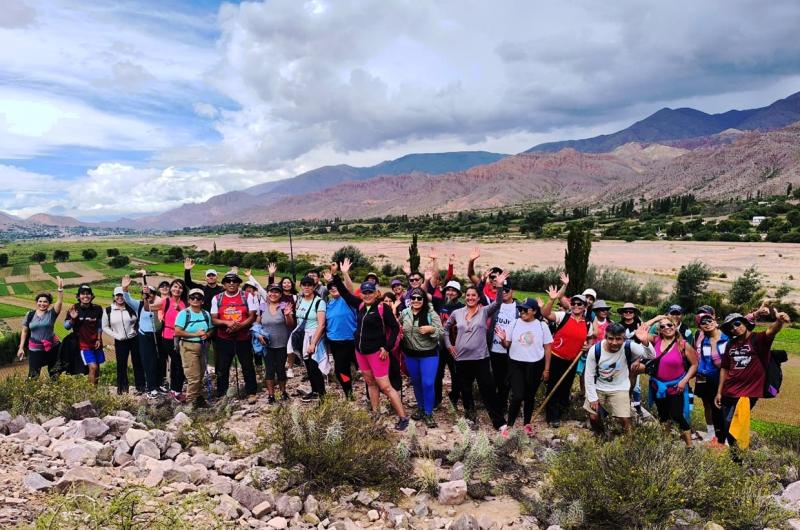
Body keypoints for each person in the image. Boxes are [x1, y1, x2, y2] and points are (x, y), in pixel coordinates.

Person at [327, 273, 409, 430]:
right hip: (360, 352)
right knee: (370, 383)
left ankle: (403, 417)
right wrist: (337, 276)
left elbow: (395, 328)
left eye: (370, 292)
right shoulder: (360, 305)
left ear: (376, 293)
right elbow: (344, 293)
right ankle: (376, 413)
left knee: (385, 386)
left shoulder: (382, 307)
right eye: (364, 292)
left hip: (376, 353)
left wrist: (387, 347)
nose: (367, 295)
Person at [443, 271, 511, 431]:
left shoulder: (484, 311)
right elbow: (445, 330)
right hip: (461, 359)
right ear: (464, 297)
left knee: (488, 390)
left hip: (480, 358)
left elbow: (499, 303)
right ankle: (470, 417)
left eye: (474, 295)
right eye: (468, 295)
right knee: (465, 390)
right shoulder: (456, 313)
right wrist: (449, 345)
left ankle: (499, 422)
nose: (470, 298)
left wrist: (499, 286)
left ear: (478, 298)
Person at [715, 310, 791, 447]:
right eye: (731, 327)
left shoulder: (758, 339)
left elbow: (771, 331)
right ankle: (736, 458)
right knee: (727, 427)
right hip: (728, 391)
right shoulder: (730, 344)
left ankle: (737, 460)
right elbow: (725, 368)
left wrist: (779, 321)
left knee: (735, 428)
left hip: (746, 394)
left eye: (737, 324)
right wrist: (719, 391)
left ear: (744, 323)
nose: (735, 328)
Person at [541, 275, 593, 428]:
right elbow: (545, 314)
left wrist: (588, 346)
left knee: (565, 389)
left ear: (585, 307)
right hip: (556, 357)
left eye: (580, 304)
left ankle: (560, 411)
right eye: (574, 303)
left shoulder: (588, 324)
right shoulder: (563, 316)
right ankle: (552, 416)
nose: (576, 305)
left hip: (572, 361)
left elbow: (590, 339)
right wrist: (551, 300)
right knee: (553, 387)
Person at [495, 297, 552, 435]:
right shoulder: (514, 323)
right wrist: (502, 340)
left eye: (525, 309)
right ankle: (509, 425)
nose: (522, 311)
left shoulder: (542, 326)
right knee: (518, 395)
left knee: (530, 396)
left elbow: (547, 348)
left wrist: (546, 369)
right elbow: (507, 345)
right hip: (516, 364)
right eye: (520, 309)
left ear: (534, 311)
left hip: (535, 364)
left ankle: (527, 423)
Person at [583, 323, 651, 433]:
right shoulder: (595, 350)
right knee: (593, 417)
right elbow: (589, 375)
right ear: (606, 337)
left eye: (618, 339)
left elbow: (651, 355)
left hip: (620, 387)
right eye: (611, 338)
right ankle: (600, 436)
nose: (614, 343)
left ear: (624, 338)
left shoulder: (629, 346)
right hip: (599, 386)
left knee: (624, 419)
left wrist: (645, 341)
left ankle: (629, 443)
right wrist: (592, 397)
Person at [642, 314, 698, 446]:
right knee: (663, 416)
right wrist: (656, 318)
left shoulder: (683, 345)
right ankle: (666, 443)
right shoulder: (655, 340)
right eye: (663, 326)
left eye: (670, 325)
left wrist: (684, 381)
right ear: (659, 330)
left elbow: (695, 365)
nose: (667, 328)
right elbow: (641, 331)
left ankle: (689, 446)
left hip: (675, 387)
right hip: (658, 387)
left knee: (677, 415)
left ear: (675, 327)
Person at [399, 287, 444, 427]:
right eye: (413, 298)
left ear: (424, 300)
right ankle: (421, 407)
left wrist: (432, 330)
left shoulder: (431, 314)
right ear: (410, 300)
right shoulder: (405, 313)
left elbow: (441, 332)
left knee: (428, 383)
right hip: (410, 354)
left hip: (428, 354)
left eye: (419, 298)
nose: (416, 300)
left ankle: (429, 412)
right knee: (417, 382)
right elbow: (397, 327)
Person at [211, 272, 259, 400]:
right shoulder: (217, 298)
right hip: (224, 338)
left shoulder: (247, 296)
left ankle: (251, 392)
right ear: (224, 284)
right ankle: (222, 394)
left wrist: (240, 326)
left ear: (238, 283)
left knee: (247, 365)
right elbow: (214, 319)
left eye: (234, 281)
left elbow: (252, 316)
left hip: (243, 337)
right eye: (228, 281)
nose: (231, 283)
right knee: (223, 367)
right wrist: (227, 323)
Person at [174, 288, 214, 408]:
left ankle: (198, 398)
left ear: (202, 301)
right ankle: (190, 404)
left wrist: (207, 334)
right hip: (188, 347)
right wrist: (195, 334)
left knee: (201, 375)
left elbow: (211, 328)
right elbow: (177, 331)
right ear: (189, 300)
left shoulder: (206, 314)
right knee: (194, 377)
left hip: (203, 346)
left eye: (198, 298)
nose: (195, 300)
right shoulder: (183, 314)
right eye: (193, 297)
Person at [122, 276, 161, 397]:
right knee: (148, 361)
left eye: (152, 293)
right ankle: (151, 387)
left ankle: (158, 384)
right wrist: (125, 288)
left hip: (158, 335)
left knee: (158, 361)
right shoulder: (138, 305)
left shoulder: (159, 305)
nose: (149, 295)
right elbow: (127, 299)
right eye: (146, 293)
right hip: (144, 336)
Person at [321, 269, 358, 398]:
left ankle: (372, 394)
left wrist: (345, 273)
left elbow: (348, 288)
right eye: (330, 288)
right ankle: (349, 393)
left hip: (353, 341)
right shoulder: (328, 304)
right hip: (336, 343)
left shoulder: (347, 300)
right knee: (341, 371)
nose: (333, 289)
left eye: (335, 287)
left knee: (365, 370)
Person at [17, 277, 64, 378]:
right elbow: (24, 331)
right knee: (33, 375)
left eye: (45, 302)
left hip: (52, 347)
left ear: (49, 304)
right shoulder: (29, 315)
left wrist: (60, 289)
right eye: (40, 301)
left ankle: (54, 392)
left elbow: (59, 302)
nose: (42, 304)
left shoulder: (52, 314)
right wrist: (21, 347)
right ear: (36, 302)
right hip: (35, 349)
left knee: (54, 374)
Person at [149, 279, 188, 400]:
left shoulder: (185, 303)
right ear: (171, 288)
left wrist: (180, 310)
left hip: (182, 336)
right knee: (178, 362)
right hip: (168, 336)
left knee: (179, 363)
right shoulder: (165, 301)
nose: (177, 289)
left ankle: (175, 389)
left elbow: (190, 317)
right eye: (175, 287)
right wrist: (147, 296)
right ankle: (176, 390)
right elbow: (149, 307)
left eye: (180, 287)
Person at [692, 312, 727, 445]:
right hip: (704, 377)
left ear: (715, 321)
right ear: (700, 326)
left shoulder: (727, 337)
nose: (707, 323)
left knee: (721, 406)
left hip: (722, 378)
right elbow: (701, 358)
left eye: (709, 320)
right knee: (707, 404)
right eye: (703, 322)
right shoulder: (702, 339)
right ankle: (711, 432)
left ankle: (723, 435)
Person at [256, 284, 295, 403]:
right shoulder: (262, 307)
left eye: (276, 292)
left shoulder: (284, 306)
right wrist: (258, 334)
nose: (273, 294)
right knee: (269, 369)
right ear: (267, 293)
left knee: (280, 369)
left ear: (280, 294)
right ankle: (271, 395)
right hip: (266, 345)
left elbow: (290, 325)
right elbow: (257, 324)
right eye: (271, 292)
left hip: (281, 344)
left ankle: (283, 392)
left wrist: (288, 315)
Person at [102, 286, 144, 394]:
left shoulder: (132, 308)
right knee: (121, 365)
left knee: (137, 363)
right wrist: (115, 335)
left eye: (122, 295)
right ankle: (122, 389)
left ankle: (140, 387)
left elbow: (139, 319)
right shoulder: (108, 311)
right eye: (118, 295)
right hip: (120, 341)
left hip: (134, 339)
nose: (120, 297)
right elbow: (105, 327)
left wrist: (135, 330)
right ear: (114, 297)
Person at [294, 275, 328, 401]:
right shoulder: (300, 300)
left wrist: (313, 343)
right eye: (304, 285)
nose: (307, 287)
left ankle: (322, 395)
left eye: (310, 285)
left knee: (315, 365)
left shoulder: (319, 302)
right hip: (303, 336)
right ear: (301, 286)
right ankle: (314, 391)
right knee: (308, 365)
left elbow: (321, 324)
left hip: (314, 335)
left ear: (314, 287)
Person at [488, 279, 518, 418]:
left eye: (507, 290)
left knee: (506, 381)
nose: (504, 292)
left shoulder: (519, 308)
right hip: (493, 348)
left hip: (510, 350)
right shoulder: (494, 306)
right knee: (493, 379)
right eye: (502, 290)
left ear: (512, 291)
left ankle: (503, 404)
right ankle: (495, 405)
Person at [64, 285, 104, 386]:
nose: (85, 296)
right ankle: (90, 394)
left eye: (88, 294)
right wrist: (73, 319)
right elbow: (66, 326)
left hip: (96, 343)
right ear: (78, 296)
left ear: (92, 296)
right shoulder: (74, 308)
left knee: (97, 368)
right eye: (83, 294)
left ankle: (95, 390)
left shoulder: (97, 309)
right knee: (93, 367)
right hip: (83, 344)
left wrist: (99, 338)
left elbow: (99, 325)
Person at [435, 280, 464, 409]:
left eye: (453, 290)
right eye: (448, 290)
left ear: (458, 293)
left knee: (456, 374)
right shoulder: (440, 303)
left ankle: (454, 398)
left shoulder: (462, 307)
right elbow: (425, 292)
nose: (450, 293)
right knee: (438, 373)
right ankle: (437, 399)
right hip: (440, 345)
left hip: (454, 345)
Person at [617, 302, 645, 415]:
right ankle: (623, 404)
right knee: (620, 381)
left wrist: (639, 359)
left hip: (636, 358)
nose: (628, 313)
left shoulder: (640, 325)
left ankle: (637, 405)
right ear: (622, 314)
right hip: (621, 358)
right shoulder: (618, 326)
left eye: (631, 311)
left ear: (634, 313)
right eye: (625, 311)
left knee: (635, 384)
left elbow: (644, 343)